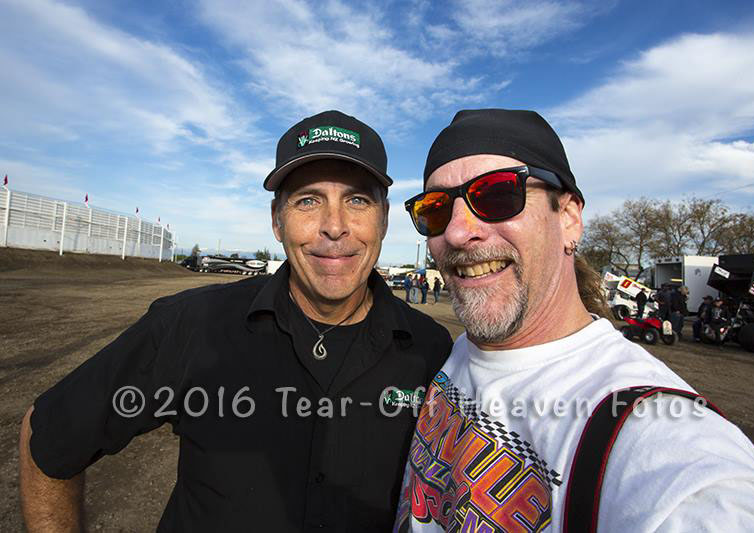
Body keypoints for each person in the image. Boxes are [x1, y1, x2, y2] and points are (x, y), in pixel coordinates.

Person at [19, 110, 453, 531]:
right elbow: (48, 437)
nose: (334, 226)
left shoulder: (433, 353)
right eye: (308, 200)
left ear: (384, 219)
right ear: (277, 221)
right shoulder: (192, 324)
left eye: (357, 200)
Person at [396, 109, 754, 531]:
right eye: (435, 209)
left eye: (497, 195)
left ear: (569, 218)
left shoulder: (651, 431)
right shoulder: (454, 353)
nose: (457, 232)